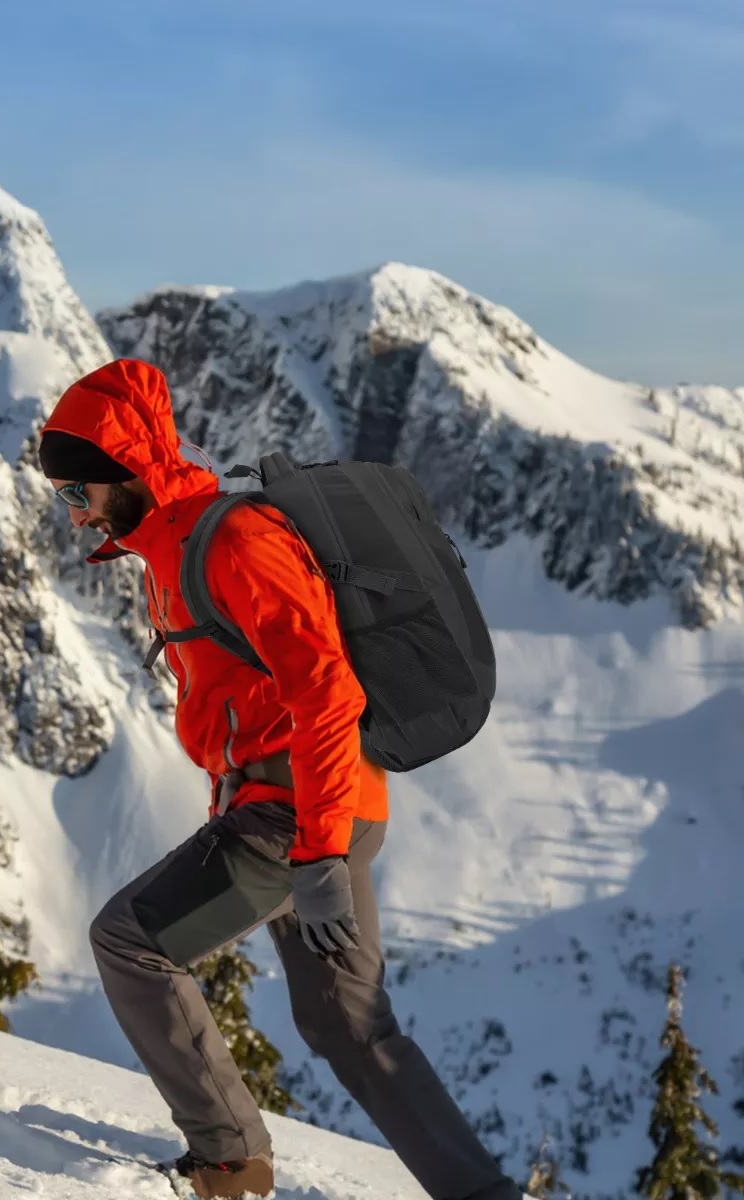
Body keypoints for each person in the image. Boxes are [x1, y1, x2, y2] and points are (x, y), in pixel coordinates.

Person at [37, 358, 521, 1200]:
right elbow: (242, 702)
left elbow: (327, 689)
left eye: (78, 494)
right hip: (307, 802)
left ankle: (230, 1165)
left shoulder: (232, 541)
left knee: (131, 942)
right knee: (351, 1026)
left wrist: (319, 854)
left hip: (302, 808)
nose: (74, 514)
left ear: (125, 473)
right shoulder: (168, 547)